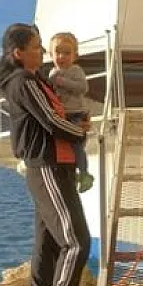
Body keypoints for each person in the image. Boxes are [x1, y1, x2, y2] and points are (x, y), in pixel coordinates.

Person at [0, 23, 90, 286]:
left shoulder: (33, 80)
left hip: (54, 163)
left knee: (47, 240)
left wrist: (74, 124)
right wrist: (80, 132)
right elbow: (50, 121)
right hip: (48, 164)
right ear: (19, 53)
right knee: (77, 242)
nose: (43, 52)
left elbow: (54, 116)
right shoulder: (23, 82)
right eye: (37, 47)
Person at [44, 32, 95, 194]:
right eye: (58, 52)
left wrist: (63, 82)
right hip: (61, 115)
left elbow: (83, 88)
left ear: (75, 56)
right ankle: (70, 173)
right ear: (51, 55)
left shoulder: (76, 70)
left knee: (77, 145)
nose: (62, 57)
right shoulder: (52, 73)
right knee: (62, 147)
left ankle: (84, 173)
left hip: (75, 113)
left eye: (66, 53)